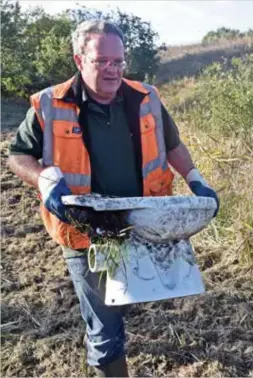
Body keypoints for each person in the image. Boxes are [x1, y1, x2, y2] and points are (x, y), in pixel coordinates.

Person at [8, 20, 219, 377]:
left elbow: (173, 146)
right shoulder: (49, 103)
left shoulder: (146, 97)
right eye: (102, 61)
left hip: (141, 224)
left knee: (123, 300)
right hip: (87, 230)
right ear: (79, 59)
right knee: (106, 330)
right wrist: (46, 182)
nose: (112, 70)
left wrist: (196, 180)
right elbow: (17, 157)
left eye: (118, 62)